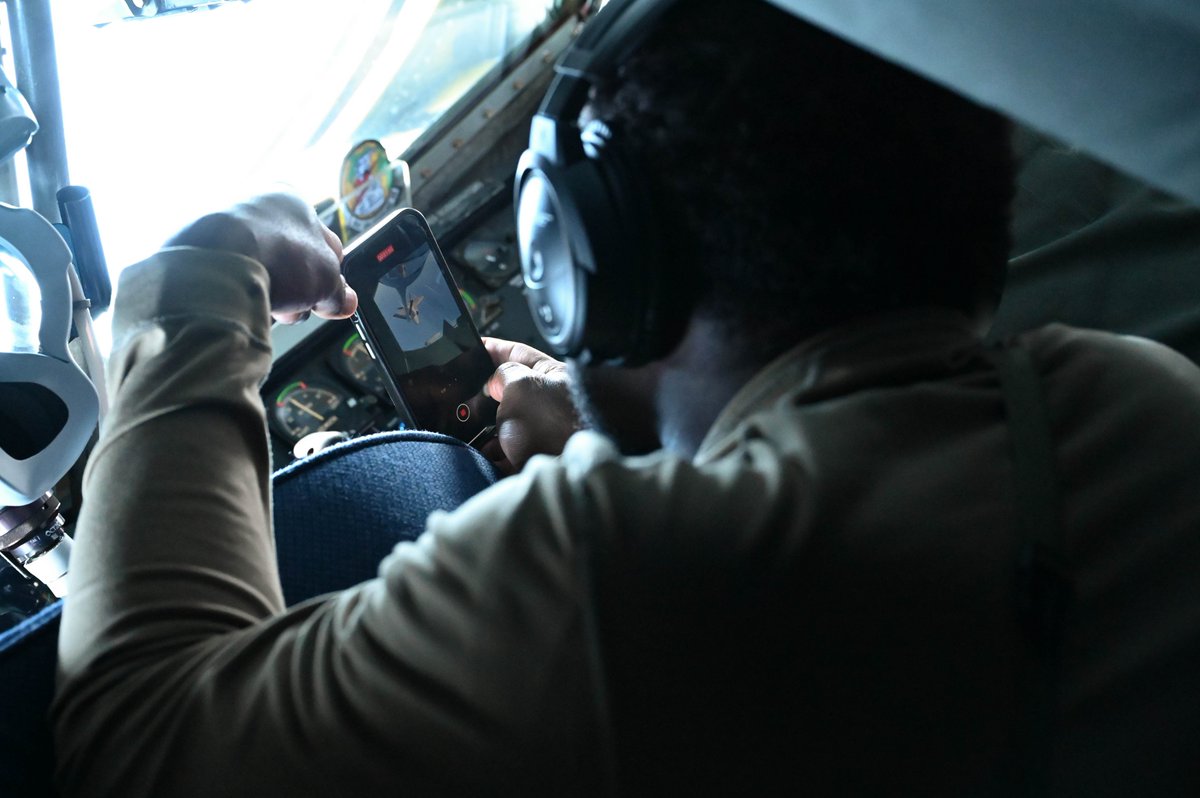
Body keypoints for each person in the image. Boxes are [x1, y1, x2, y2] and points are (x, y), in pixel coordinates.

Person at [53, 1, 1200, 796]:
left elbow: (145, 745)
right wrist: (622, 453)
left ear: (585, 264)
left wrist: (197, 276)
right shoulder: (1139, 403)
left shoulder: (603, 576)